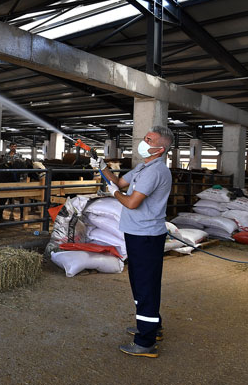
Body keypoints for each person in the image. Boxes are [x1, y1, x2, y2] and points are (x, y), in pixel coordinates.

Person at [91, 125, 174, 358]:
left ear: (159, 149)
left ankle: (145, 342)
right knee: (140, 283)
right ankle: (151, 326)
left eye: (149, 139)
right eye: (145, 138)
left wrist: (112, 193)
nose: (143, 141)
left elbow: (130, 202)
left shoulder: (154, 172)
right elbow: (119, 182)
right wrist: (102, 166)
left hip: (146, 235)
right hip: (137, 233)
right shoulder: (142, 167)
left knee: (145, 285)